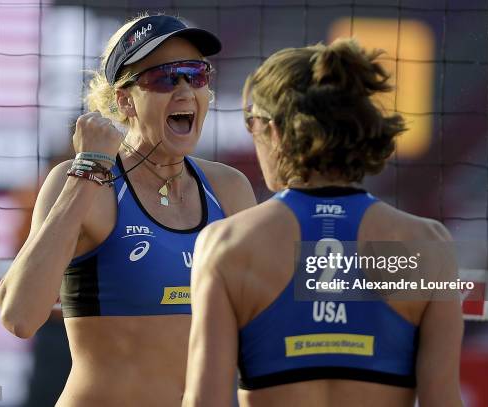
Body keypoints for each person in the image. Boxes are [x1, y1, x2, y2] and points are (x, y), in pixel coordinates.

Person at [182, 38, 464, 407]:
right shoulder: (427, 244)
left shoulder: (226, 244)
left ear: (276, 131)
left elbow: (205, 402)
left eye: (251, 122)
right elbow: (442, 401)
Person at [0, 13, 256, 406]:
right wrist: (88, 170)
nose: (185, 90)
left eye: (196, 75)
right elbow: (19, 316)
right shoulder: (84, 181)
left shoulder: (228, 188)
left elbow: (262, 328)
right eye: (165, 78)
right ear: (124, 100)